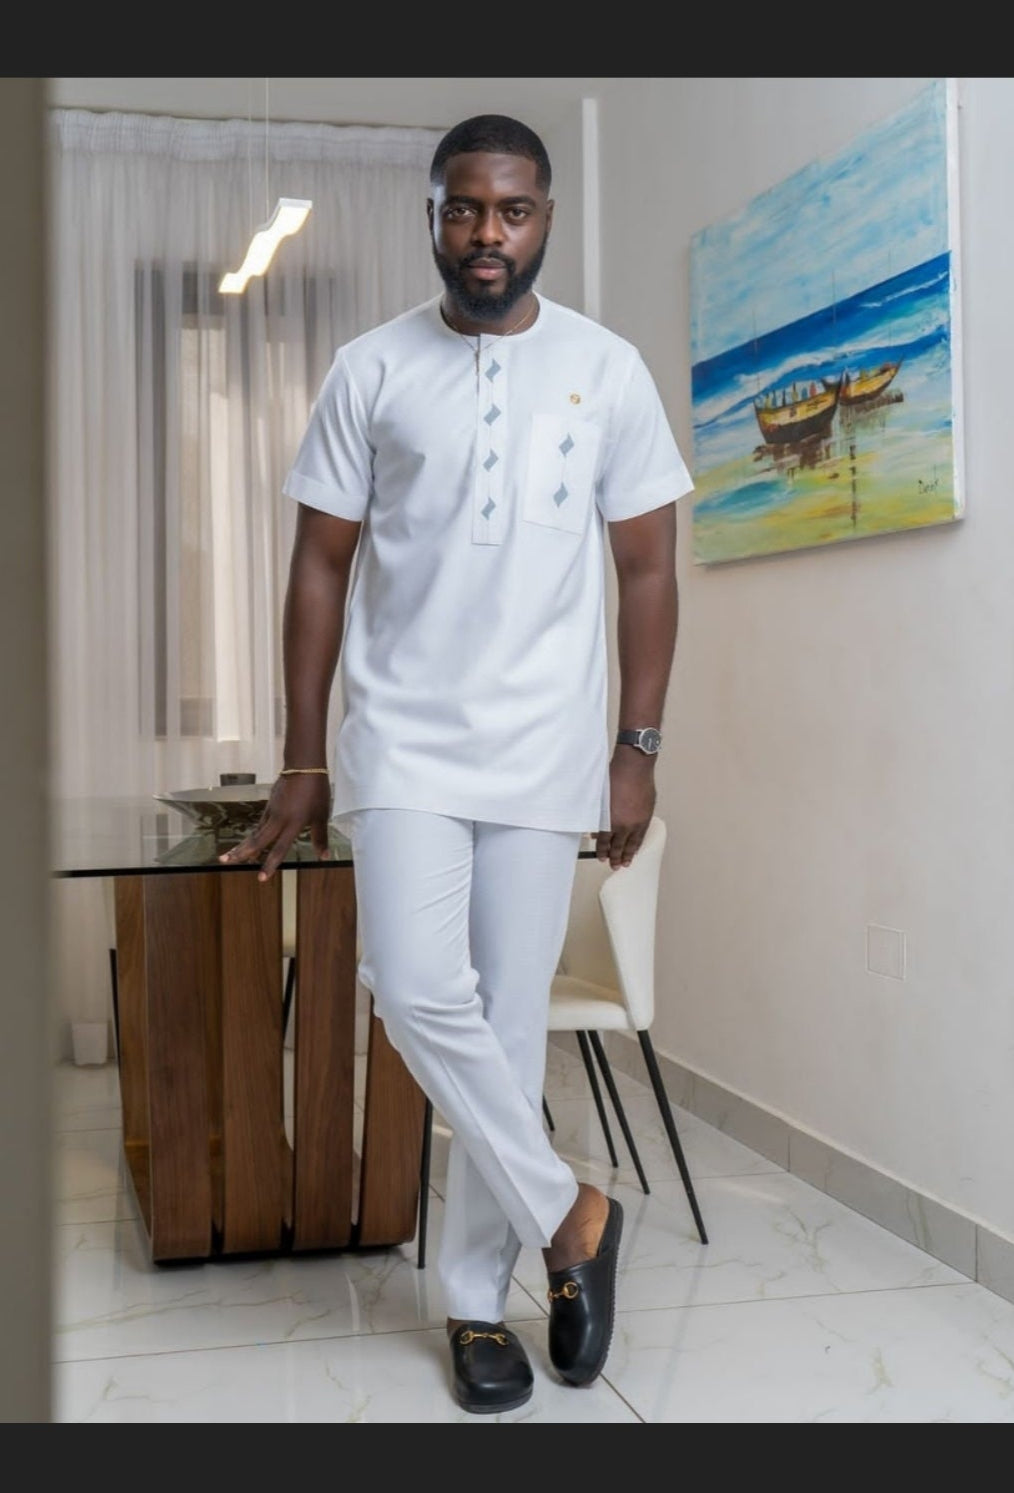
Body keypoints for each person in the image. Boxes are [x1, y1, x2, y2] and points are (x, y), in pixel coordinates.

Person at [220, 113, 693, 1415]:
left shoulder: (607, 368)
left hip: (547, 751)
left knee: (503, 1028)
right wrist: (302, 758)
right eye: (465, 208)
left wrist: (636, 748)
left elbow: (648, 570)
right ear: (432, 216)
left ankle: (481, 1303)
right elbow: (319, 567)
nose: (489, 233)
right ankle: (574, 1212)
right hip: (403, 742)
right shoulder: (370, 368)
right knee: (416, 986)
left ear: (545, 219)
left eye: (513, 210)